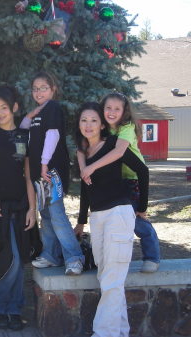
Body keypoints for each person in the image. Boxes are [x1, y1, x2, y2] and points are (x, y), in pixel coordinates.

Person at [74, 101, 149, 337]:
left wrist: (142, 208)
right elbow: (85, 189)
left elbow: (142, 170)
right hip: (97, 217)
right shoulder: (82, 152)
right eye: (84, 120)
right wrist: (81, 220)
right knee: (107, 277)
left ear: (102, 124)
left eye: (94, 120)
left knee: (112, 279)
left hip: (118, 214)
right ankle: (120, 331)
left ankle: (103, 333)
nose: (88, 125)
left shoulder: (114, 146)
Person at [77, 92, 160, 273]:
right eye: (108, 108)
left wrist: (143, 207)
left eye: (117, 109)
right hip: (118, 180)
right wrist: (84, 167)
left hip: (133, 178)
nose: (112, 112)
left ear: (124, 112)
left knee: (138, 219)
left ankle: (152, 256)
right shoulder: (105, 128)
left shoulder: (126, 127)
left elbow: (118, 153)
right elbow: (84, 148)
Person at [0, 86, 37, 331]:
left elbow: (28, 175)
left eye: (4, 108)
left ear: (14, 108)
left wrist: (33, 208)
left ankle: (13, 310)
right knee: (5, 258)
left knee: (19, 258)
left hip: (21, 205)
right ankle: (0, 306)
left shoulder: (24, 136)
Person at [20, 71, 84, 275]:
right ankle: (50, 255)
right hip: (41, 172)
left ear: (52, 89)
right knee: (45, 214)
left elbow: (53, 135)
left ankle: (75, 257)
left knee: (56, 214)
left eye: (43, 88)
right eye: (35, 89)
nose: (39, 92)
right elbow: (22, 133)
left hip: (52, 170)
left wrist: (45, 164)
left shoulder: (53, 108)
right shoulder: (37, 113)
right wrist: (28, 116)